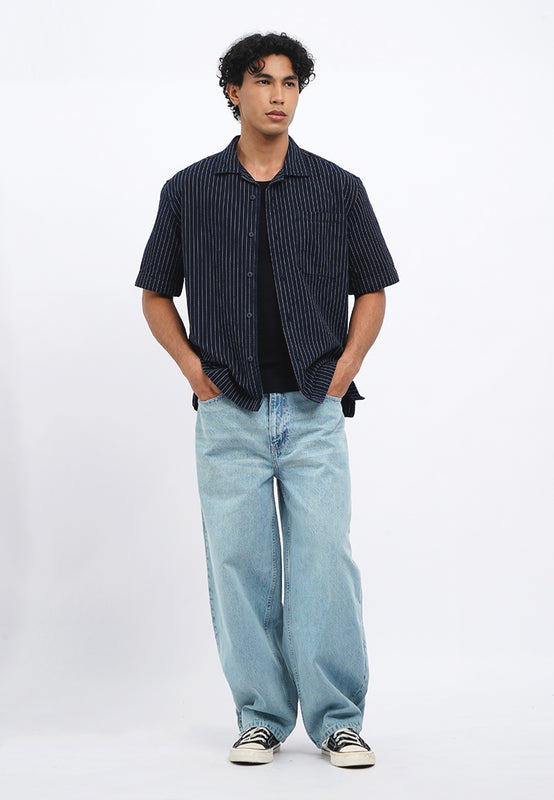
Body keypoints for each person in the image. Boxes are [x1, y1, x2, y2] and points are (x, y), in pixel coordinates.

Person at [136, 31, 399, 768]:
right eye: (262, 81)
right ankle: (259, 717)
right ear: (233, 91)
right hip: (228, 412)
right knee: (238, 569)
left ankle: (339, 720)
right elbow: (155, 292)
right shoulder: (189, 189)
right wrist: (192, 369)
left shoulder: (338, 187)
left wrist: (346, 368)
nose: (278, 95)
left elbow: (372, 288)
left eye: (290, 83)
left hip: (314, 408)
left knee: (324, 567)